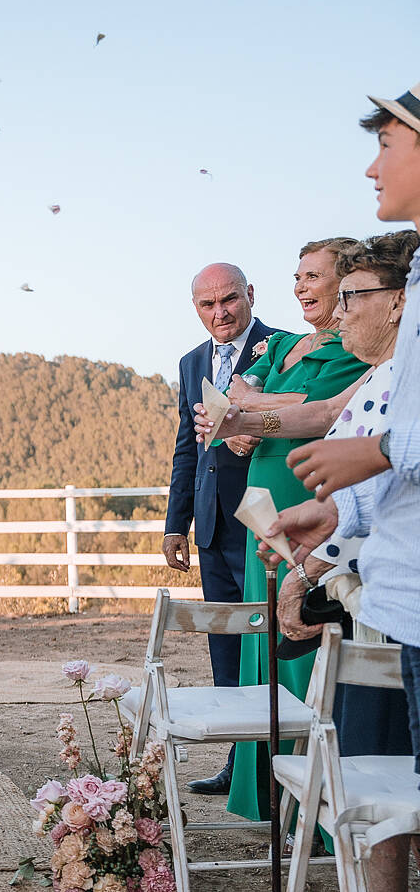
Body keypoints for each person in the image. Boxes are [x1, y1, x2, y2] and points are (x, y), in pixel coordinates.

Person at [269, 84, 420, 891]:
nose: (371, 165)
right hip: (391, 590)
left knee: (382, 781)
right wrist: (333, 511)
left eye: (387, 143)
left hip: (395, 595)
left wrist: (373, 459)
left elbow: (389, 445)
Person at [224, 238, 371, 822]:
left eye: (314, 276)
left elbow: (319, 410)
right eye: (298, 276)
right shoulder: (282, 341)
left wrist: (252, 412)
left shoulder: (350, 348)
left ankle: (313, 806)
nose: (301, 287)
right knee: (259, 638)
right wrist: (259, 406)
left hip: (308, 505)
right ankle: (261, 793)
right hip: (259, 505)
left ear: (345, 284)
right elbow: (239, 389)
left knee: (302, 642)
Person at [162, 263, 282, 795]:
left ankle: (276, 770)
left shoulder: (282, 348)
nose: (221, 313)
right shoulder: (192, 362)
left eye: (229, 300)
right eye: (208, 305)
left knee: (272, 646)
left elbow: (296, 422)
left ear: (249, 294)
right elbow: (186, 447)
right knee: (226, 651)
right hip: (211, 527)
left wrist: (256, 432)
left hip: (263, 523)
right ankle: (240, 768)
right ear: (196, 309)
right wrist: (176, 524)